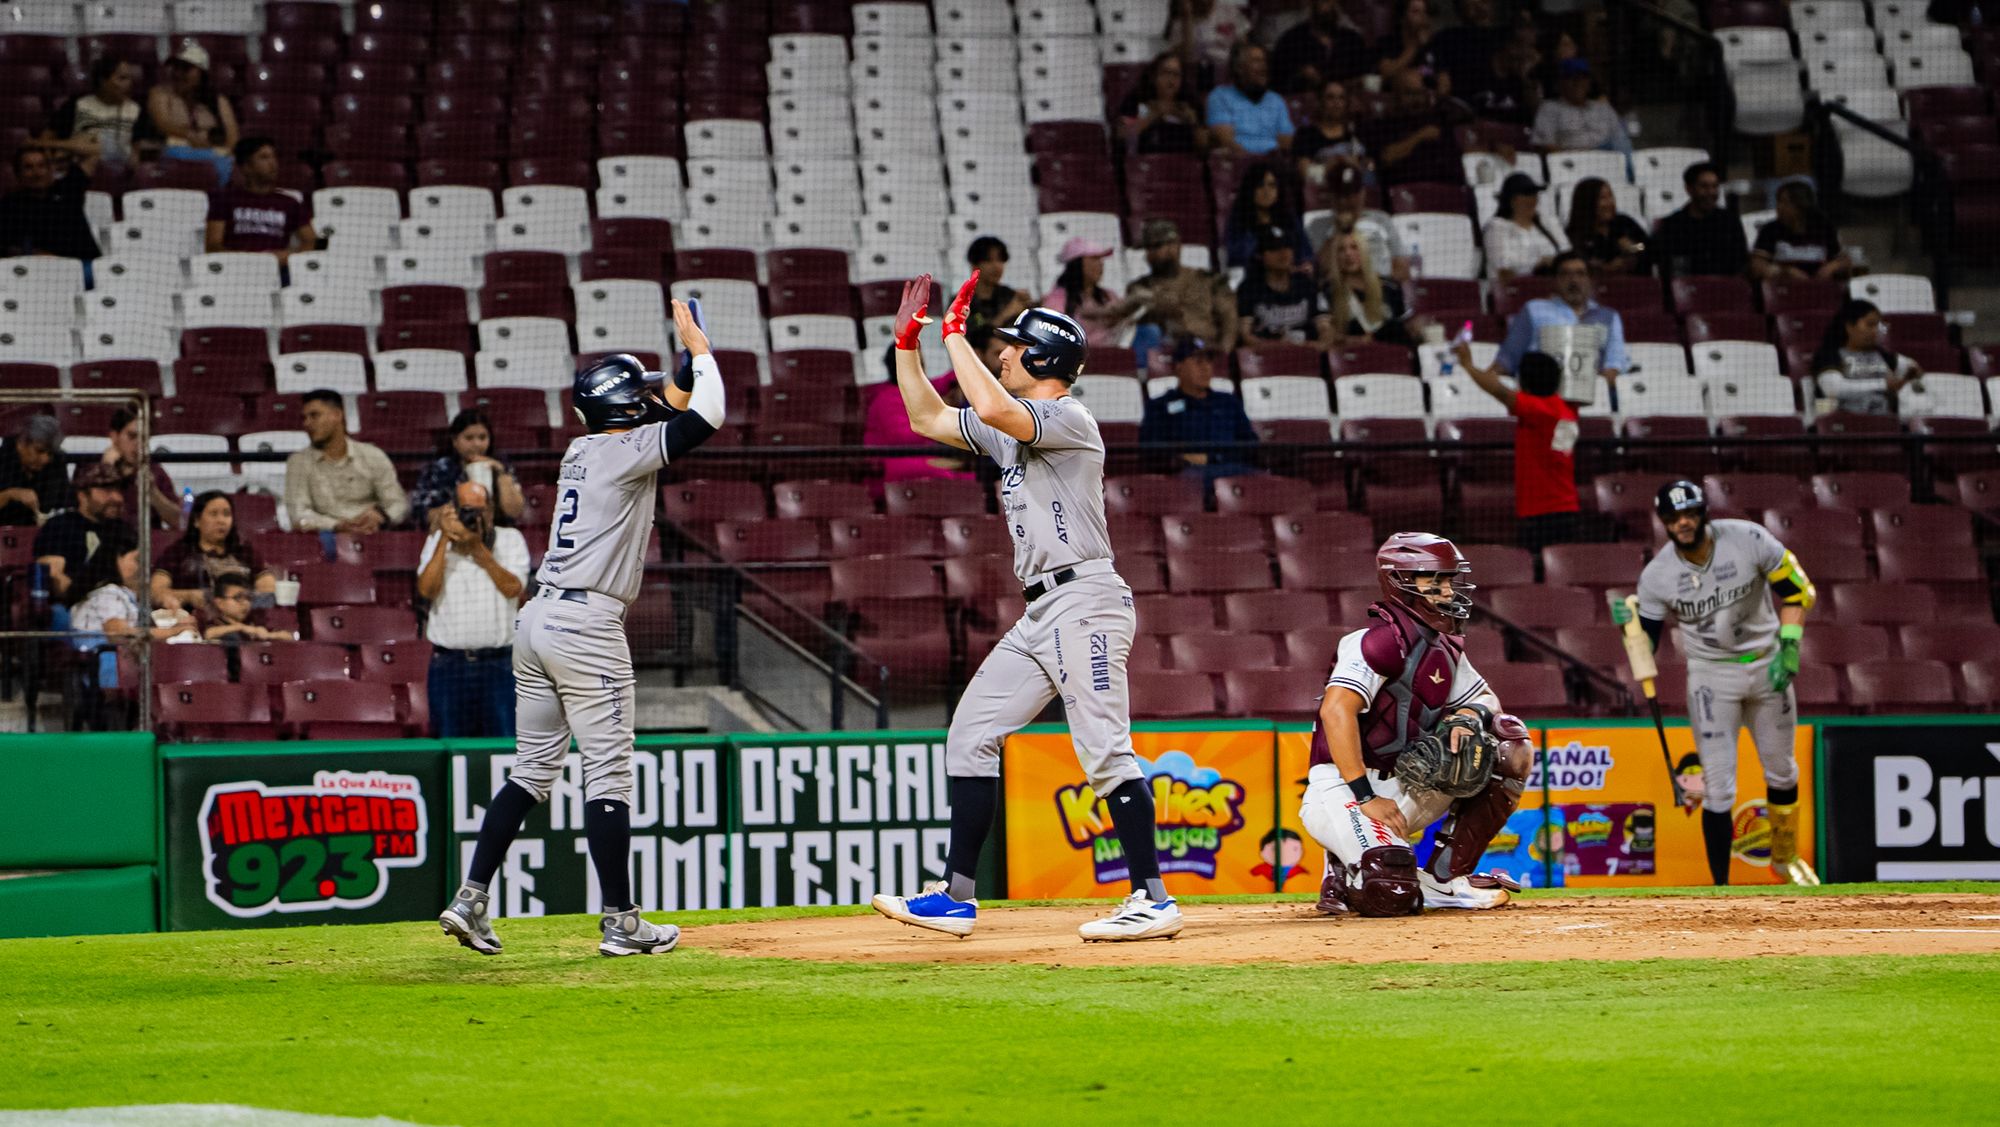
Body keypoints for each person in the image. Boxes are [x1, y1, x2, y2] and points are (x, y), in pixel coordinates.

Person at [870, 275, 1183, 943]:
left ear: (1043, 359)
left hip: (1086, 601)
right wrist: (906, 344)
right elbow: (928, 417)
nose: (1004, 352)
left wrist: (955, 335)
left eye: (1014, 346)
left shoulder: (1069, 417)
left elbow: (996, 405)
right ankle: (956, 896)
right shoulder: (1009, 428)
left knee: (1104, 750)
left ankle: (1153, 898)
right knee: (970, 733)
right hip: (1043, 610)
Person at [441, 302, 725, 958]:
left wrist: (678, 370)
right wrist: (700, 347)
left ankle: (471, 897)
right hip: (586, 622)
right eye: (640, 391)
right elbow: (705, 412)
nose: (651, 396)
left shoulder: (584, 445)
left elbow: (671, 399)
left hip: (538, 616)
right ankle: (621, 921)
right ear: (624, 406)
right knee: (609, 771)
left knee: (533, 768)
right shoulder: (625, 448)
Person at [1298, 532, 1535, 916]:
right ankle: (1347, 873)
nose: (1446, 590)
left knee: (1510, 744)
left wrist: (1466, 716)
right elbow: (1335, 711)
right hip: (1347, 789)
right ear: (1400, 582)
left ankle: (1444, 880)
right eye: (1435, 581)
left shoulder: (1444, 647)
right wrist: (1365, 796)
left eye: (1447, 580)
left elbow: (1487, 701)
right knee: (1391, 892)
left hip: (1409, 782)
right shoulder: (1374, 641)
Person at [1623, 481, 1818, 886]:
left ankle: (1785, 861)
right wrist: (1630, 629)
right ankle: (1721, 888)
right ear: (1663, 523)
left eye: (1690, 513)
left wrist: (1790, 646)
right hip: (1712, 675)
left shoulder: (1748, 539)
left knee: (1782, 771)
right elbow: (1648, 641)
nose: (1683, 523)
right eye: (1673, 518)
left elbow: (1799, 592)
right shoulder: (1658, 575)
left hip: (1767, 663)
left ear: (1704, 512)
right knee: (1717, 785)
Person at [418, 480, 529, 740]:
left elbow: (513, 588)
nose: (474, 517)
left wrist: (479, 551)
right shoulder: (436, 541)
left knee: (504, 742)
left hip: (499, 664)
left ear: (491, 511)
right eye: (466, 510)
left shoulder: (510, 539)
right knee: (449, 741)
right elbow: (426, 590)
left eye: (480, 510)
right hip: (449, 665)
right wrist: (445, 536)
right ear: (453, 510)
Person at [1453, 349, 1583, 550]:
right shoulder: (1564, 408)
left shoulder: (1539, 410)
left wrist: (1468, 365)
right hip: (1564, 508)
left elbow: (1499, 391)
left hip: (1542, 512)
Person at [1492, 251, 1629, 404]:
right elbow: (1509, 357)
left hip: (1593, 399)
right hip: (1541, 398)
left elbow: (1614, 362)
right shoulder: (1535, 309)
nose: (1574, 280)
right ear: (1555, 281)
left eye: (1580, 274)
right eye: (1565, 274)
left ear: (1590, 280)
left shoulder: (1608, 317)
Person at [283, 389, 410, 534]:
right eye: (304, 418)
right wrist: (337, 525)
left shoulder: (373, 455)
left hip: (374, 534)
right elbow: (298, 514)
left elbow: (398, 503)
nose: (307, 423)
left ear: (337, 415)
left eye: (314, 416)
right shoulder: (298, 462)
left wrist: (382, 517)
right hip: (326, 539)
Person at [1139, 336, 1261, 480]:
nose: (1206, 367)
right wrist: (1182, 459)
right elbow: (1152, 452)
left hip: (1233, 470)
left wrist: (1213, 458)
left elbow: (1250, 445)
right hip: (1188, 476)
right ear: (1179, 367)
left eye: (1209, 361)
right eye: (1198, 362)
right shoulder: (1160, 406)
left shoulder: (1228, 401)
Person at [863, 342, 976, 492]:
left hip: (921, 457)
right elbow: (903, 437)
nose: (922, 369)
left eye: (921, 364)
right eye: (917, 364)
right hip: (893, 463)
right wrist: (938, 414)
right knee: (950, 476)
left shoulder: (915, 390)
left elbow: (940, 383)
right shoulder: (887, 398)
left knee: (970, 475)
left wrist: (971, 362)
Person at [1125, 219, 1241, 357]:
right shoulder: (1140, 286)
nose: (1149, 255)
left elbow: (1230, 319)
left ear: (1174, 246)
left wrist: (1223, 354)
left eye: (1154, 248)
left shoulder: (1209, 280)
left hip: (1207, 351)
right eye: (1148, 250)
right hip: (1163, 355)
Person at [151, 491, 275, 610]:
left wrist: (240, 600)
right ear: (196, 521)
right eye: (213, 514)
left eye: (226, 514)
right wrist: (189, 596)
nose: (221, 521)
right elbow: (156, 591)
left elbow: (268, 589)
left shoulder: (245, 552)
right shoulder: (178, 552)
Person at [408, 409, 525, 531]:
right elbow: (421, 513)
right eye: (469, 438)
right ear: (455, 441)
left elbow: (514, 512)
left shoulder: (501, 466)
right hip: (452, 534)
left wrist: (501, 475)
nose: (477, 444)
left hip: (498, 533)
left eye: (482, 437)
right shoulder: (439, 469)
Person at [205, 136, 315, 266]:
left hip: (277, 271)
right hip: (236, 270)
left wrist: (290, 257)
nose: (273, 163)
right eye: (264, 157)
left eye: (274, 157)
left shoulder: (290, 202)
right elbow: (213, 245)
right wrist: (248, 260)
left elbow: (310, 241)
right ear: (246, 167)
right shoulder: (225, 199)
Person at [146, 41, 238, 187]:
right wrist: (189, 136)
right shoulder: (160, 94)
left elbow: (232, 138)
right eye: (176, 67)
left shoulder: (218, 101)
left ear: (202, 73)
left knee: (229, 163)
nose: (178, 73)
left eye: (186, 69)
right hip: (174, 153)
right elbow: (162, 124)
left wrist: (218, 150)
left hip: (212, 155)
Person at [34, 462, 131, 599]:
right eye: (106, 491)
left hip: (121, 600)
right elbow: (56, 581)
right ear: (82, 496)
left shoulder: (122, 530)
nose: (117, 498)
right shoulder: (59, 527)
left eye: (118, 490)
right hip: (76, 604)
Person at [69, 540, 196, 643]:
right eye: (138, 560)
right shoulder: (108, 594)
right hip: (103, 668)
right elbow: (119, 634)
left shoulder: (127, 597)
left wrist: (176, 625)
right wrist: (172, 631)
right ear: (117, 559)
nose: (144, 567)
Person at [1812, 299, 1922, 416]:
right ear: (1849, 327)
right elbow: (1833, 389)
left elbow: (1911, 366)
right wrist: (1883, 385)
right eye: (1870, 325)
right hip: (1841, 422)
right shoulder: (1829, 354)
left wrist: (1911, 373)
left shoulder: (1880, 354)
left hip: (1883, 421)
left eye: (1877, 326)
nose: (1875, 331)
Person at [1358, 64, 1463, 186]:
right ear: (1395, 96)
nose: (1416, 100)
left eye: (1419, 93)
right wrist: (1420, 136)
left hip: (1441, 191)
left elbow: (1455, 164)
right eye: (1409, 94)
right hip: (1403, 193)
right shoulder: (1382, 126)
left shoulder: (1438, 121)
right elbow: (1386, 158)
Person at [38, 55, 144, 172]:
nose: (129, 83)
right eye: (122, 78)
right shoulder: (78, 104)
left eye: (129, 78)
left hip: (116, 169)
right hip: (74, 169)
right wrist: (51, 163)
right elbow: (46, 139)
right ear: (103, 81)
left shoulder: (135, 109)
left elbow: (135, 151)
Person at [0, 145, 101, 264]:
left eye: (41, 166)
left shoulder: (69, 188)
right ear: (18, 174)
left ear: (50, 169)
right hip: (40, 269)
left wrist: (41, 143)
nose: (37, 173)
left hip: (86, 267)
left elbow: (93, 153)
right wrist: (33, 253)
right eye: (28, 167)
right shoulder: (10, 205)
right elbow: (6, 248)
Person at [1237, 225, 1335, 348]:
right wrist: (1279, 348)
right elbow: (1245, 336)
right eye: (1274, 248)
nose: (1283, 253)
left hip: (1307, 356)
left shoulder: (1307, 284)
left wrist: (1318, 345)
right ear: (1260, 255)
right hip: (1267, 358)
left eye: (1287, 246)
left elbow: (1326, 329)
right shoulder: (1249, 288)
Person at [1651, 161, 1747, 280]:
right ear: (1689, 189)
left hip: (1724, 291)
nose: (1711, 192)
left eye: (1715, 186)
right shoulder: (1671, 225)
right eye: (1704, 186)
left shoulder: (1730, 222)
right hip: (1685, 291)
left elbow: (1740, 264)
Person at [1321, 161, 1409, 282]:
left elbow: (1402, 270)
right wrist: (1341, 227)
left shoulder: (1381, 220)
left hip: (1380, 290)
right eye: (1342, 194)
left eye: (1352, 194)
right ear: (1331, 196)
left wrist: (1374, 285)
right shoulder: (1319, 225)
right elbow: (1320, 271)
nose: (1346, 201)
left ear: (1363, 193)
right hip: (1339, 292)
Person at [1325, 231, 1418, 346]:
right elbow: (1327, 337)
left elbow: (1402, 329)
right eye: (1341, 250)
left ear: (1365, 252)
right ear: (1336, 257)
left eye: (1354, 247)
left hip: (1389, 354)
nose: (1348, 253)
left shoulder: (1390, 287)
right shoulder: (1328, 291)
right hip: (1351, 356)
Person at [1751, 181, 1852, 282]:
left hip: (1818, 288)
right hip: (1783, 289)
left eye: (1785, 203)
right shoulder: (1770, 230)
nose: (1779, 207)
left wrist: (1832, 267)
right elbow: (1757, 265)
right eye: (1778, 202)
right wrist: (1784, 271)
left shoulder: (1823, 228)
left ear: (1800, 206)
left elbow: (1844, 262)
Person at [1529, 59, 1632, 156]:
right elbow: (1542, 145)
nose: (1578, 82)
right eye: (1571, 77)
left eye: (1583, 77)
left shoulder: (1603, 108)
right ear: (1561, 82)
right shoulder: (1550, 108)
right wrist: (1576, 157)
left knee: (1621, 140)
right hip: (1572, 163)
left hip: (1608, 160)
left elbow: (1621, 138)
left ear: (1589, 82)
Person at [1206, 42, 1294, 155]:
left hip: (1273, 163)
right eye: (1256, 61)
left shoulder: (1276, 100)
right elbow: (1225, 141)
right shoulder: (1220, 96)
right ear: (1239, 68)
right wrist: (1252, 161)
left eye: (1264, 61)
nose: (1264, 67)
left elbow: (1287, 141)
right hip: (1238, 164)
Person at [100, 408, 179, 533]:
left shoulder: (155, 471)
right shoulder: (92, 469)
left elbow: (178, 522)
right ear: (114, 436)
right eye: (132, 436)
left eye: (144, 438)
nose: (139, 443)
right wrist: (107, 469)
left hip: (148, 543)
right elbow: (85, 515)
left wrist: (154, 494)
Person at [1042, 237, 1134, 341]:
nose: (1101, 263)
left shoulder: (1108, 296)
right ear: (1077, 264)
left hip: (1111, 354)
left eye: (1100, 259)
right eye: (1094, 258)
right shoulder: (1056, 300)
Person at [1223, 163, 1313, 269]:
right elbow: (1236, 257)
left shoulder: (1289, 220)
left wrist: (1306, 265)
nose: (1266, 191)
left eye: (1272, 186)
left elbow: (1306, 253)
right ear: (1250, 189)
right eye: (1260, 185)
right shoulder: (1238, 222)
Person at [1116, 52, 1208, 155]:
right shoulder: (1136, 99)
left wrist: (1193, 123)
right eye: (1166, 73)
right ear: (1153, 76)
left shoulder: (1191, 103)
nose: (1171, 80)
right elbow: (1121, 135)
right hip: (1144, 165)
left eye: (1176, 74)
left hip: (1184, 166)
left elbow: (1205, 147)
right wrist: (1153, 115)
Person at [1271, 0, 1371, 92]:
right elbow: (1277, 81)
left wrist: (1348, 85)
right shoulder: (1292, 40)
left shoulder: (1353, 41)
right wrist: (1301, 75)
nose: (1326, 4)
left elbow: (1367, 78)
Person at [1482, 172, 1566, 281]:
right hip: (1512, 290)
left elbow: (1567, 254)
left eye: (1534, 194)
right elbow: (1503, 268)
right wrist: (1538, 264)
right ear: (1512, 200)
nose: (1533, 199)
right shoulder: (1496, 227)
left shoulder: (1549, 223)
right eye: (1526, 194)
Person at [1564, 177, 1650, 276]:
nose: (1610, 202)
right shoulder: (1574, 234)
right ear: (1587, 202)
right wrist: (1604, 269)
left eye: (1611, 196)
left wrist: (1632, 248)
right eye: (1603, 198)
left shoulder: (1624, 223)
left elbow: (1646, 246)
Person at [1293, 79, 1370, 185]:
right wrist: (1335, 165)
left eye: (1341, 98)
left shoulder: (1357, 131)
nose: (1337, 103)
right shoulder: (1307, 134)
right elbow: (1305, 173)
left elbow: (1370, 168)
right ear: (1320, 102)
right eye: (1330, 97)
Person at [0, 415, 69, 526]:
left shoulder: (57, 463)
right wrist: (10, 494)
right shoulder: (3, 460)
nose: (45, 459)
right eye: (39, 451)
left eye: (50, 453)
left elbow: (66, 502)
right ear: (22, 443)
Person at [1432, 0, 1509, 96]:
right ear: (1459, 10)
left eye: (1484, 2)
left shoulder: (1508, 37)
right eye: (1471, 5)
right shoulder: (1446, 39)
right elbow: (1441, 83)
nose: (1481, 9)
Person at [961, 236, 1030, 339]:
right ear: (974, 265)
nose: (997, 266)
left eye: (1000, 260)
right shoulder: (962, 302)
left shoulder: (1010, 296)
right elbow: (972, 339)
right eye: (989, 260)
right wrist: (1006, 314)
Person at [1170, 0, 1252, 82]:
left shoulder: (1229, 11)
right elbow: (1185, 56)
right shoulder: (1181, 21)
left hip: (1228, 72)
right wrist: (1187, 18)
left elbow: (1244, 46)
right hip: (1195, 74)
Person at [1376, 0, 1447, 89]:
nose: (1423, 17)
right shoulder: (1388, 42)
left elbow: (1444, 80)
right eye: (1416, 12)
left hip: (1429, 98)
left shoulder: (1433, 45)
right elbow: (1385, 73)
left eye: (1425, 12)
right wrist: (1414, 46)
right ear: (1402, 18)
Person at [197, 572, 287, 643]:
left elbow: (287, 636)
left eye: (248, 598)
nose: (246, 603)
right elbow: (208, 634)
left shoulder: (254, 619)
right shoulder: (215, 623)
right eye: (238, 598)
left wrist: (268, 636)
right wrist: (241, 627)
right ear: (219, 603)